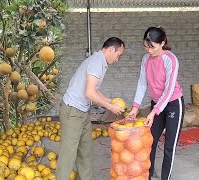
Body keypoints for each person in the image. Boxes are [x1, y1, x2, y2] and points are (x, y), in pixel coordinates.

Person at [56, 37, 125, 180]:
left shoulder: (99, 61)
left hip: (82, 111)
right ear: (112, 49)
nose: (117, 59)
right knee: (68, 153)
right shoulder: (97, 62)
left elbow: (94, 91)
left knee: (85, 151)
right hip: (72, 111)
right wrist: (110, 106)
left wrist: (111, 101)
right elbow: (90, 93)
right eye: (119, 55)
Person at [127, 27, 185, 180]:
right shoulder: (146, 59)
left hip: (173, 104)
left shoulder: (170, 59)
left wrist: (154, 112)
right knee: (150, 142)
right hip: (156, 104)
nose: (149, 51)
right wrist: (135, 108)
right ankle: (148, 174)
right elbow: (142, 83)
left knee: (169, 147)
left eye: (152, 47)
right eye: (146, 47)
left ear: (162, 43)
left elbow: (169, 89)